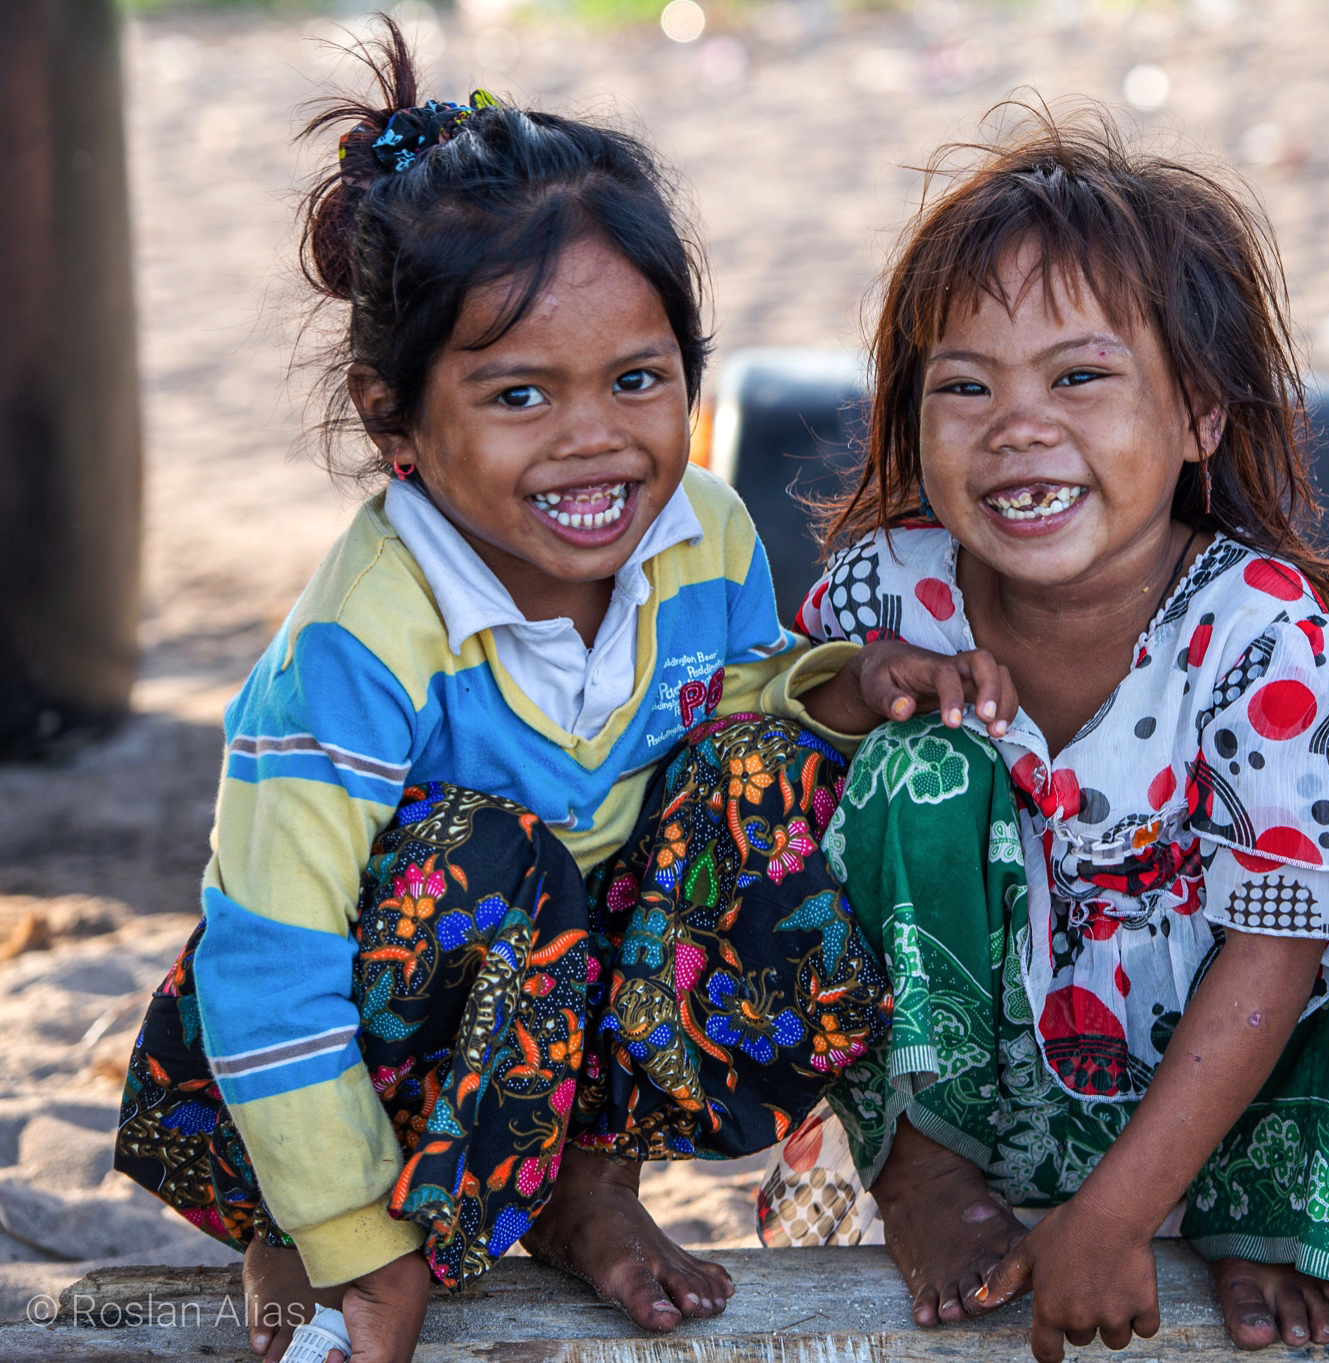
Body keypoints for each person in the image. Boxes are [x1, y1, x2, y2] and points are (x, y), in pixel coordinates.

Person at [110, 22, 1006, 1363]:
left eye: (637, 380)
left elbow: (724, 709)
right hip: (357, 1049)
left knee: (759, 776)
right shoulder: (359, 643)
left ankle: (589, 1185)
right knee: (492, 851)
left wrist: (836, 686)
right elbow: (267, 962)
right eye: (520, 392)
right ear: (392, 417)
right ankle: (297, 1232)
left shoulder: (703, 533)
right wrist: (346, 1230)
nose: (594, 436)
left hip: (563, 1026)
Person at [760, 108, 1329, 1362]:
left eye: (1077, 377)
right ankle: (922, 1165)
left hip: (1225, 1084)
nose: (1016, 424)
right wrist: (862, 686)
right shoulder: (891, 590)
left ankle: (1247, 1208)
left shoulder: (1268, 642)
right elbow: (759, 764)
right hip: (992, 1096)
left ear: (1197, 416)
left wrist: (1115, 1216)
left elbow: (1278, 950)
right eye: (963, 385)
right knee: (900, 765)